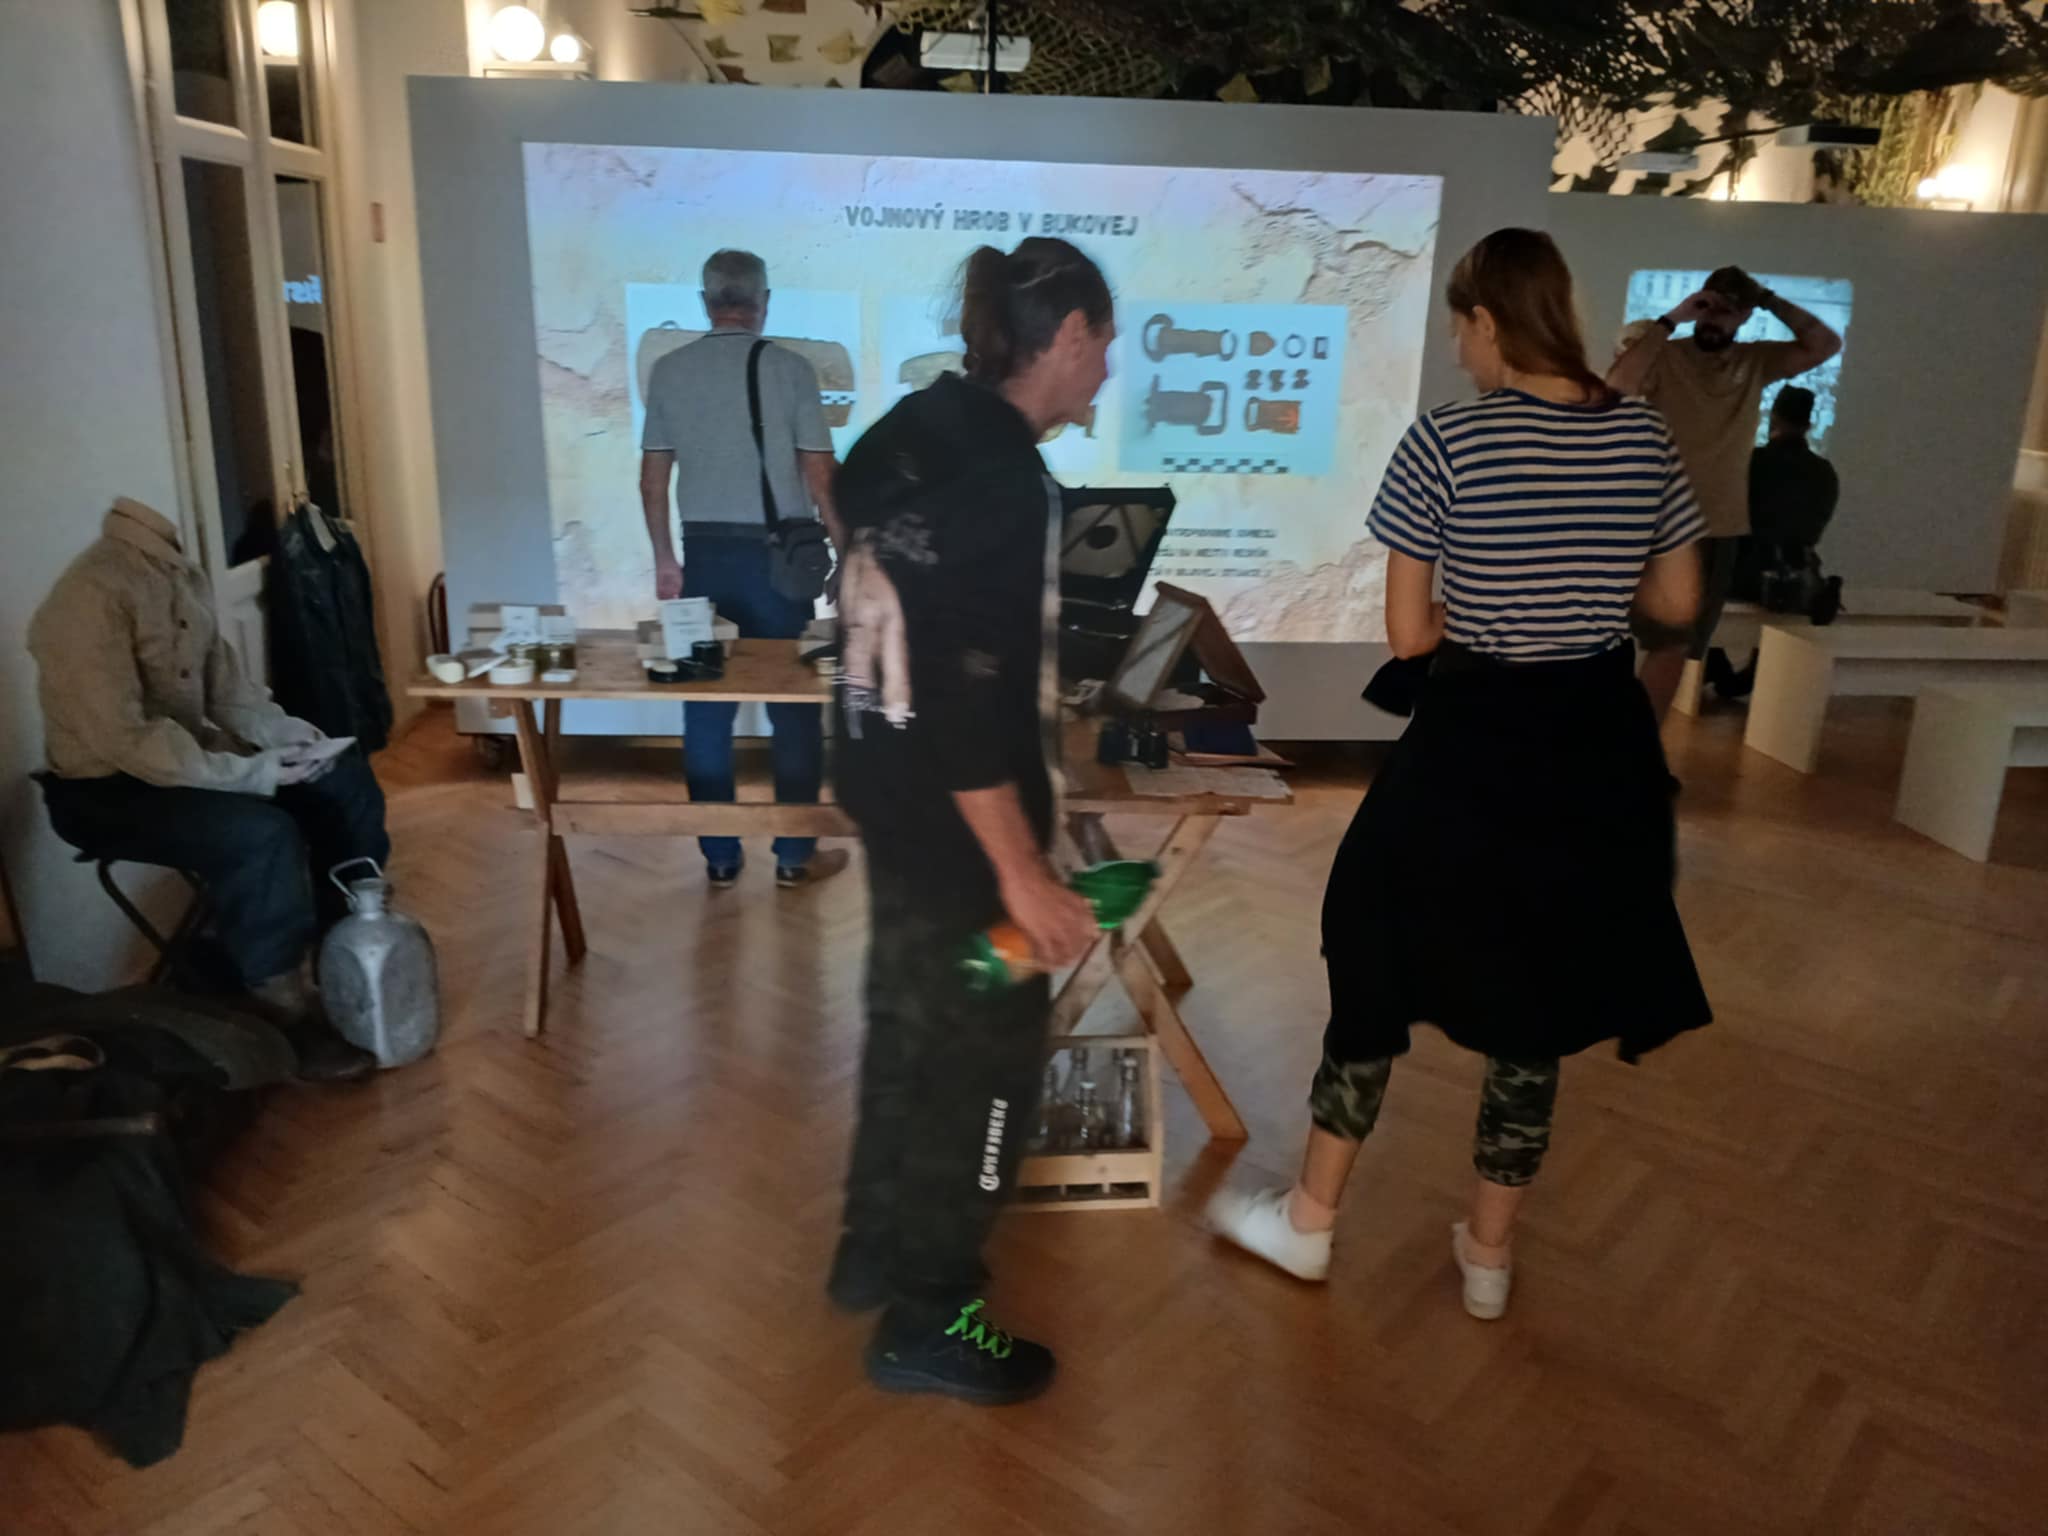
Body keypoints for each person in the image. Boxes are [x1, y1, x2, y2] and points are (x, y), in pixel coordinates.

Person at [1207, 229, 1714, 1318]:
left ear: (1488, 320)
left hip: (1474, 736)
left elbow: (1406, 636)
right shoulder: (1643, 436)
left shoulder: (1447, 438)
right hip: (1593, 746)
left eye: (1456, 327)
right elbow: (1676, 605)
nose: (1453, 349)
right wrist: (1585, 593)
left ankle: (1309, 1223)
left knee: (1371, 950)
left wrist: (1484, 607)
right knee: (1540, 991)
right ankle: (1487, 1257)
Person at [827, 238, 1112, 1404]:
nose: (1107, 370)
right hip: (961, 831)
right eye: (1104, 343)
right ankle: (928, 1317)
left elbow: (852, 508)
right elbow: (955, 697)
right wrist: (1024, 876)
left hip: (884, 791)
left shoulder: (912, 427)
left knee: (905, 1028)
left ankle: (872, 1251)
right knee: (985, 1076)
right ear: (1069, 336)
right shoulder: (1006, 485)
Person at [29, 497, 383, 1082]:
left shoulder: (179, 576)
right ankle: (284, 1008)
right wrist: (253, 774)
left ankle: (347, 939)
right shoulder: (88, 595)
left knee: (344, 780)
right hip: (102, 792)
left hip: (183, 767)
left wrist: (291, 737)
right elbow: (124, 740)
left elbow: (228, 693)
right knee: (262, 834)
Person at [638, 249, 848, 890]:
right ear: (764, 302)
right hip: (778, 562)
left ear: (706, 302)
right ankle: (793, 855)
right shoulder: (791, 370)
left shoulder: (670, 371)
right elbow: (820, 475)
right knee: (795, 712)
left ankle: (721, 856)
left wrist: (665, 559)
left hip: (704, 557)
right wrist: (847, 555)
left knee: (705, 710)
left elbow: (652, 479)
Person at [1607, 265, 1841, 719]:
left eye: (1729, 311)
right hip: (1652, 524)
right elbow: (1617, 385)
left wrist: (1768, 299)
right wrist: (1674, 317)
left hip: (1716, 528)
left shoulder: (1756, 362)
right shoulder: (1666, 354)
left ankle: (1637, 745)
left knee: (1677, 646)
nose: (1716, 318)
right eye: (1710, 307)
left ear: (1746, 316)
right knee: (1622, 639)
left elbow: (1825, 345)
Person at [1710, 385, 1841, 699]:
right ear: (1808, 424)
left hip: (1746, 574)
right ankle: (1746, 672)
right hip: (1801, 576)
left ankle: (1717, 668)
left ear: (1774, 418)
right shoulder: (1824, 472)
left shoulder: (1752, 462)